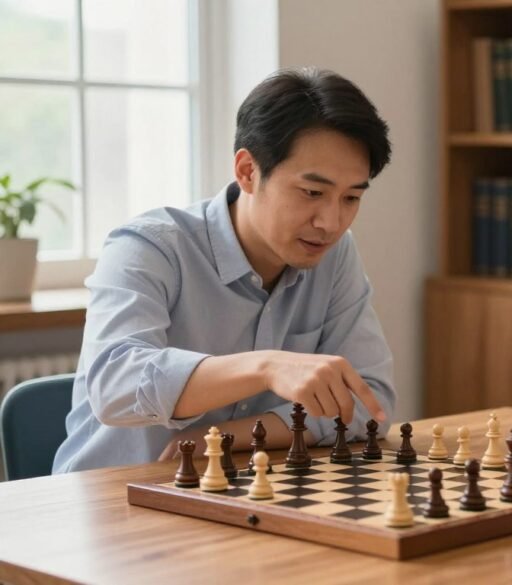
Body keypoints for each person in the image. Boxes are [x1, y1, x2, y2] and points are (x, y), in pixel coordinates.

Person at [54, 67, 396, 473]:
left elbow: (370, 401)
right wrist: (267, 368)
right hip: (110, 495)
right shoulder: (148, 246)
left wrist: (231, 435)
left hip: (237, 486)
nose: (331, 222)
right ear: (247, 171)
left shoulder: (334, 255)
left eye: (351, 198)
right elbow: (115, 386)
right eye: (312, 192)